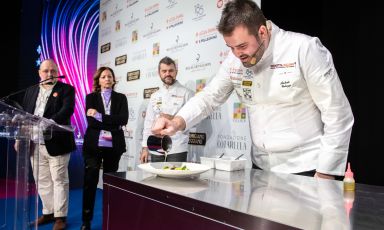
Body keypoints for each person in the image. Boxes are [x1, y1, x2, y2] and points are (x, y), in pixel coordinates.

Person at [151, 0, 354, 179]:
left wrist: (325, 173)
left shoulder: (303, 49)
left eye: (241, 46)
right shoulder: (235, 60)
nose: (237, 54)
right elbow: (209, 97)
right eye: (230, 47)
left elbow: (338, 114)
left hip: (306, 168)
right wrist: (177, 121)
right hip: (260, 169)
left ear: (263, 32)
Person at [19, 59, 76, 230]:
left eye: (53, 71)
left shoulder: (66, 89)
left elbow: (67, 110)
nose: (50, 74)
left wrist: (47, 123)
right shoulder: (30, 91)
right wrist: (19, 138)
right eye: (46, 71)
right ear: (39, 73)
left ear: (58, 72)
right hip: (34, 143)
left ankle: (60, 217)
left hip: (57, 142)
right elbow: (23, 115)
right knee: (42, 180)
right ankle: (48, 212)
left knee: (59, 180)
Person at [81, 66, 128, 230]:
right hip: (94, 145)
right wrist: (110, 121)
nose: (107, 79)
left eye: (110, 76)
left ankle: (111, 216)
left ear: (114, 80)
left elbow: (123, 119)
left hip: (113, 144)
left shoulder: (121, 98)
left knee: (110, 182)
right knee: (90, 181)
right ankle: (86, 220)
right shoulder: (90, 98)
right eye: (103, 77)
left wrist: (100, 116)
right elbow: (92, 122)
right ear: (98, 81)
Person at [140, 56, 194, 163]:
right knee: (158, 178)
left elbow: (194, 120)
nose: (167, 74)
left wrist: (173, 119)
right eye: (164, 71)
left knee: (174, 178)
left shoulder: (187, 93)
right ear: (159, 73)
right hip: (156, 146)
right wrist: (145, 148)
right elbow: (148, 122)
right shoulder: (155, 95)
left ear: (176, 72)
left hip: (177, 147)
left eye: (171, 70)